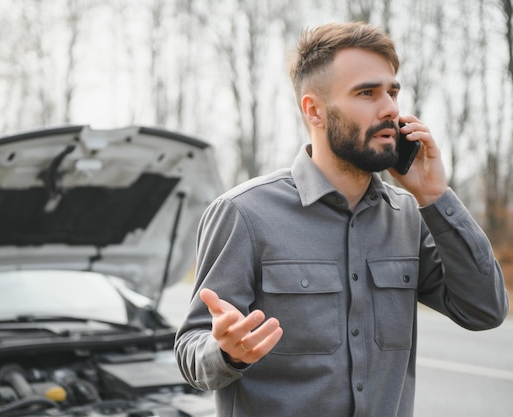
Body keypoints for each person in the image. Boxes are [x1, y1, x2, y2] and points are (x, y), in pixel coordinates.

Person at [174, 21, 509, 417]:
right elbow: (191, 349)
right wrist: (227, 352)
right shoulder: (243, 214)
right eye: (366, 93)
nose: (389, 108)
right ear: (314, 110)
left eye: (392, 92)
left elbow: (484, 310)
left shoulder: (408, 216)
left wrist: (436, 197)